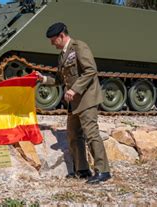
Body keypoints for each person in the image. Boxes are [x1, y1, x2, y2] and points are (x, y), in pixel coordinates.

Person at [38, 22, 111, 184]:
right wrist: (42, 78)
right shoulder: (62, 55)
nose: (51, 43)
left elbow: (91, 70)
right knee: (73, 135)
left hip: (86, 98)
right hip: (74, 103)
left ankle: (103, 171)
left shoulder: (79, 47)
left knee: (91, 134)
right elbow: (59, 79)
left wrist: (74, 89)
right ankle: (82, 169)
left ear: (62, 36)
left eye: (53, 39)